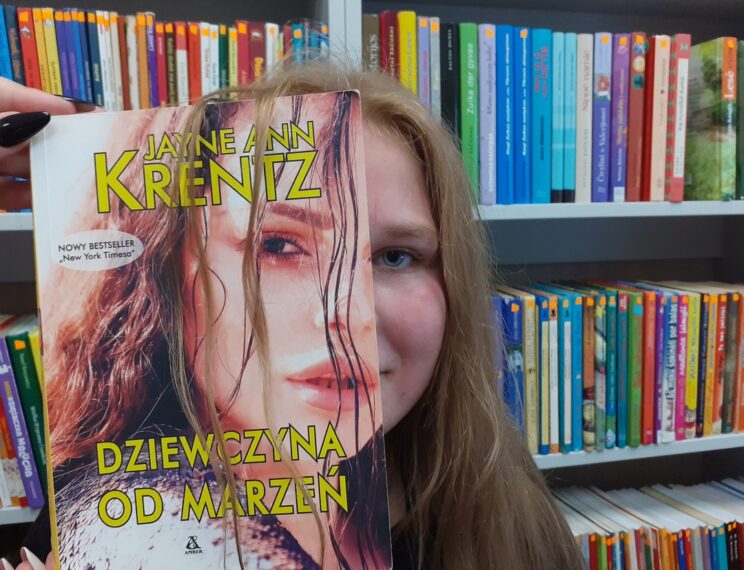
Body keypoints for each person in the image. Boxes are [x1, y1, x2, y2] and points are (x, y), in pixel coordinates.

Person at [1, 64, 583, 570]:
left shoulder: (505, 509)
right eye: (277, 245)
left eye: (395, 256)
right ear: (166, 274)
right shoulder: (107, 530)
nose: (347, 314)